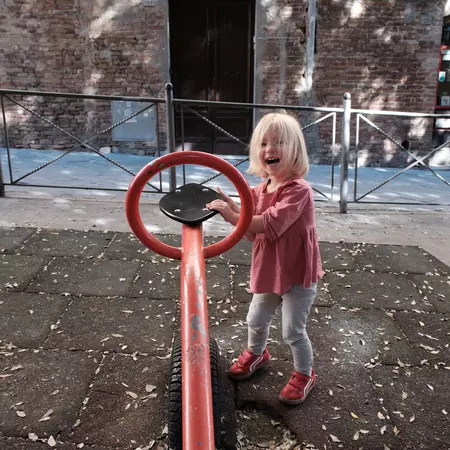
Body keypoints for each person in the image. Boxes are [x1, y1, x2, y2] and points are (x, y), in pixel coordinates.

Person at [206, 111, 323, 405]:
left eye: (279, 142)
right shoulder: (260, 189)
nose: (270, 149)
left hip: (297, 272)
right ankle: (257, 353)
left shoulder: (299, 191)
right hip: (271, 269)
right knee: (255, 318)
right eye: (264, 143)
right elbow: (251, 224)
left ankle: (304, 373)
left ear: (295, 150)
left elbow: (268, 224)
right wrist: (235, 207)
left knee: (292, 330)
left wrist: (234, 214)